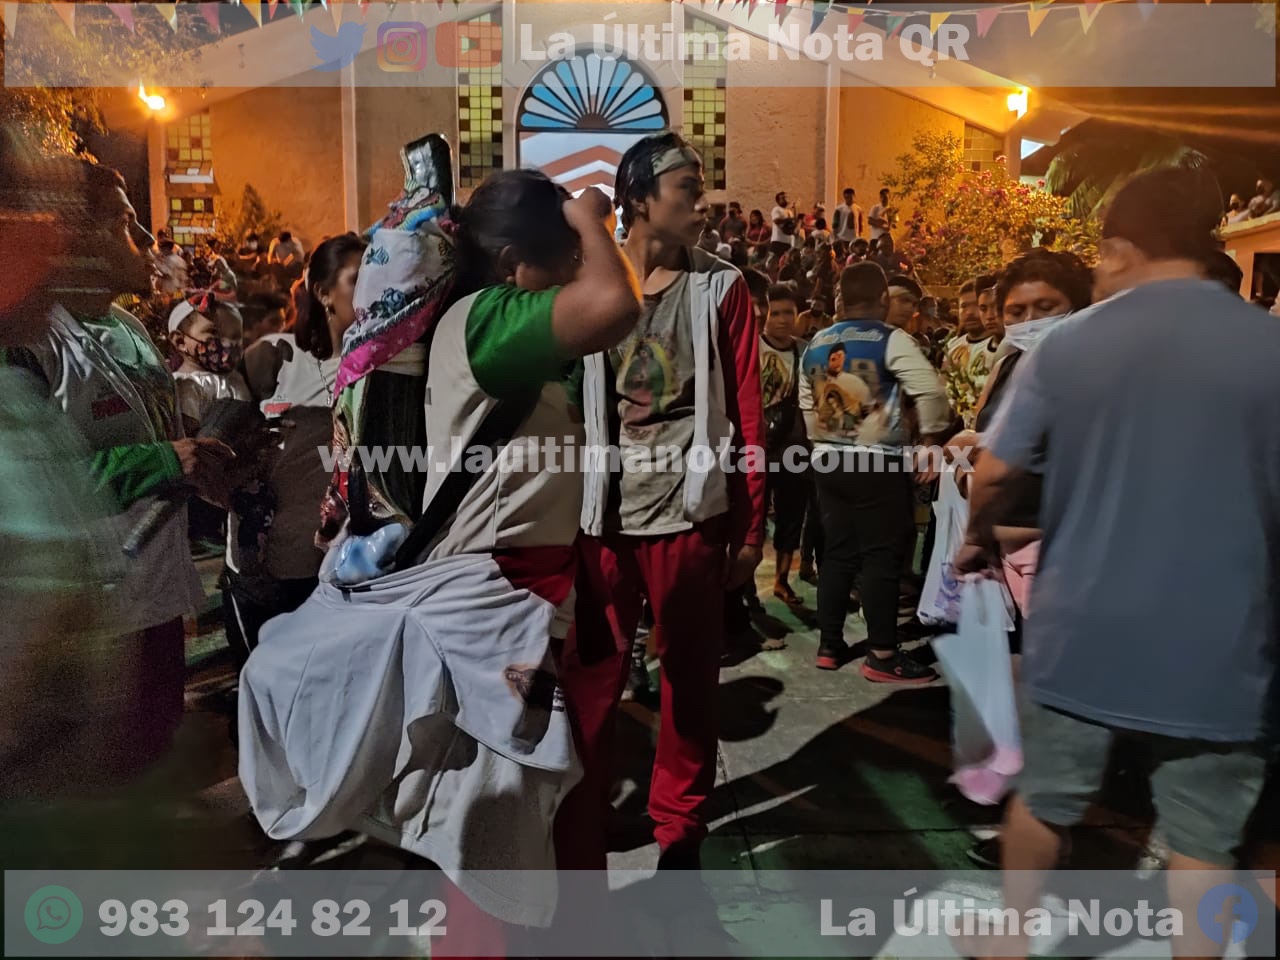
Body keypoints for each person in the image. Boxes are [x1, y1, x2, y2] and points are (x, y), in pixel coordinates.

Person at [239, 172, 641, 942]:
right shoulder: (487, 317)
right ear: (516, 262)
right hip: (505, 607)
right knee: (494, 831)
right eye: (557, 263)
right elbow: (613, 303)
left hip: (521, 598)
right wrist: (592, 217)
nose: (566, 279)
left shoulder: (473, 324)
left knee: (502, 823)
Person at [955, 169, 1279, 960]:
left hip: (1086, 627)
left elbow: (995, 472)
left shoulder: (1071, 346)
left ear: (1120, 249)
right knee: (1203, 839)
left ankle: (1011, 936)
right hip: (1224, 641)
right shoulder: (1270, 343)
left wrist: (974, 537)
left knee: (1045, 800)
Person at [559, 132, 766, 872]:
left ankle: (679, 822)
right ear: (639, 200)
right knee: (591, 681)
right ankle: (581, 819)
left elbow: (747, 413)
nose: (703, 204)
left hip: (689, 514)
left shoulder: (721, 288)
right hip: (602, 520)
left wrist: (750, 527)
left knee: (689, 683)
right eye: (688, 189)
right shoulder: (587, 286)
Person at [3, 162, 228, 774]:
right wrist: (163, 461)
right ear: (78, 239)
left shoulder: (128, 328)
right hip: (92, 625)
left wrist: (208, 471)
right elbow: (55, 483)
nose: (151, 243)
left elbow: (162, 446)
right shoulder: (31, 343)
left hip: (157, 600)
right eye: (127, 224)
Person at [799, 262, 949, 679]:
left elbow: (805, 401)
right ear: (883, 299)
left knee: (838, 552)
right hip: (876, 460)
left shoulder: (817, 341)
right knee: (881, 555)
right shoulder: (891, 339)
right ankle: (882, 655)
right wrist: (932, 440)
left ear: (842, 299)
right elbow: (930, 390)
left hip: (826, 459)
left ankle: (829, 645)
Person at [760, 284, 810, 606]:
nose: (781, 320)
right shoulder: (751, 347)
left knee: (791, 516)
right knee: (752, 515)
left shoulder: (805, 351)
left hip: (793, 446)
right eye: (775, 313)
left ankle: (781, 580)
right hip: (756, 446)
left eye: (788, 313)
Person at [943, 278, 996, 427]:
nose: (970, 312)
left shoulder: (999, 346)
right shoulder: (952, 346)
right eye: (964, 306)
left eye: (976, 306)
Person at [771, 190, 797, 256]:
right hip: (778, 241)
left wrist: (795, 210)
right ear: (778, 201)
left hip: (788, 242)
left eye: (786, 197)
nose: (785, 199)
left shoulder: (789, 212)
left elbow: (793, 224)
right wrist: (789, 219)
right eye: (783, 198)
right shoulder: (776, 209)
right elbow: (776, 221)